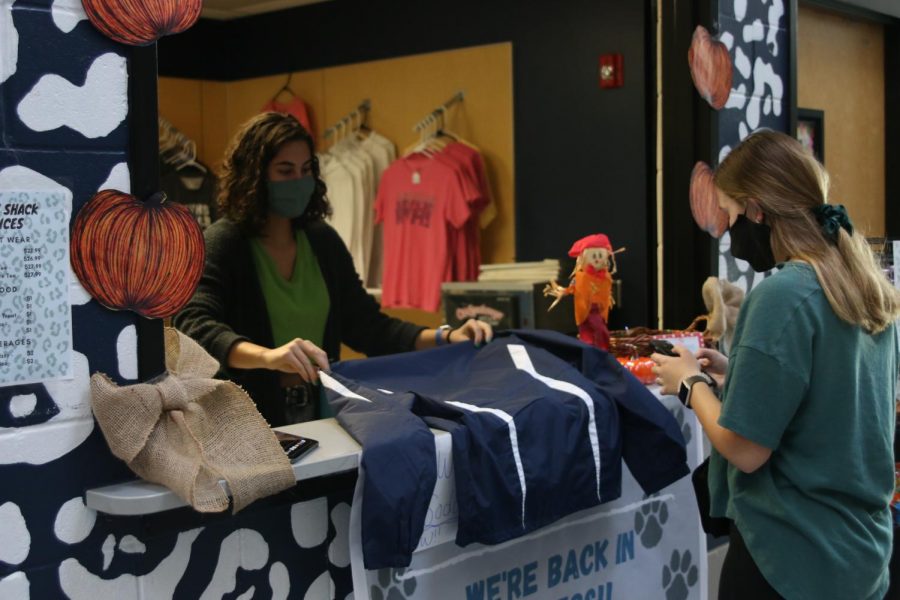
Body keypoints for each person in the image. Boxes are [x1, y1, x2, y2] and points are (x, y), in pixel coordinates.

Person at [651, 130, 899, 600]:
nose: (726, 229)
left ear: (758, 210)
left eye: (730, 213)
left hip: (789, 557)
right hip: (861, 556)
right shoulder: (863, 286)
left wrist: (691, 384)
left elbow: (744, 448)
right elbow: (833, 393)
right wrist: (738, 373)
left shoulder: (783, 296)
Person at [174, 112, 492, 426]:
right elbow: (195, 325)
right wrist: (269, 358)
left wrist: (445, 336)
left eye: (306, 170)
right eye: (285, 171)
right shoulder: (223, 242)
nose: (298, 181)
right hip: (245, 420)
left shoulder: (320, 240)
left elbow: (368, 326)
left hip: (321, 413)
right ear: (253, 177)